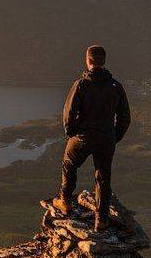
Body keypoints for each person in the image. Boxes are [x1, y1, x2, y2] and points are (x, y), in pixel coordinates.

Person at [54, 44, 131, 231]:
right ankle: (101, 220)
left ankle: (65, 201)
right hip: (106, 138)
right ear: (103, 61)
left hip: (83, 136)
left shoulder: (81, 84)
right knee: (103, 177)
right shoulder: (115, 86)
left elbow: (68, 113)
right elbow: (125, 117)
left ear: (88, 60)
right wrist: (114, 136)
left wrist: (71, 132)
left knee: (69, 164)